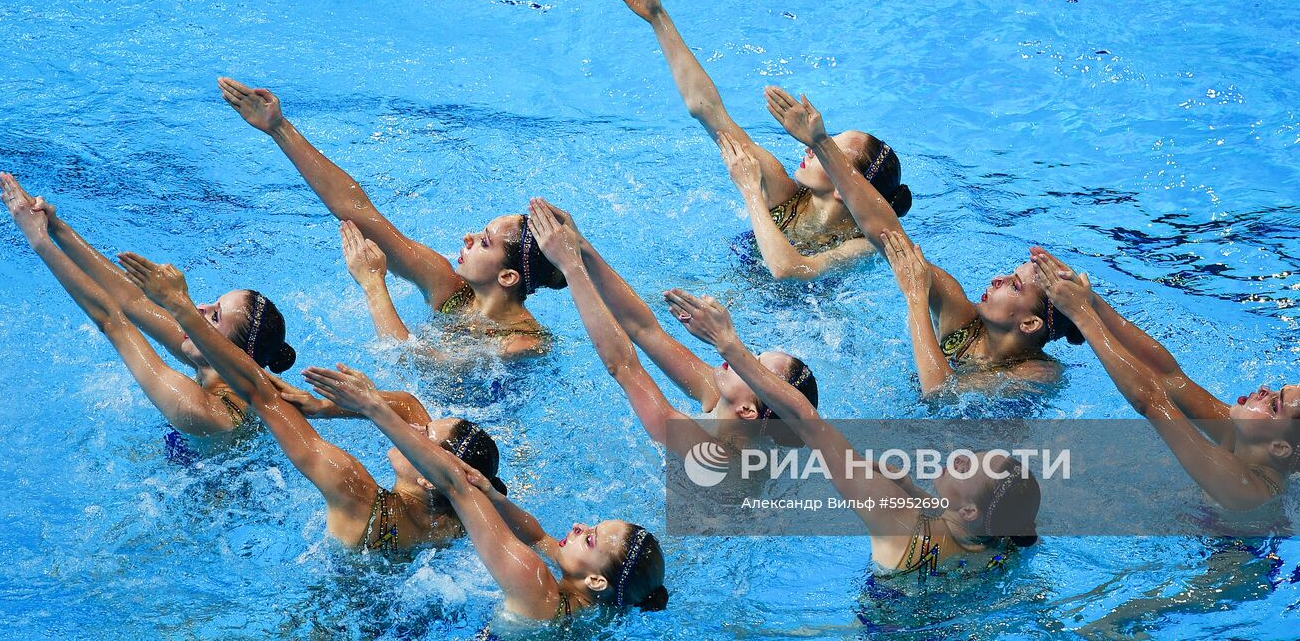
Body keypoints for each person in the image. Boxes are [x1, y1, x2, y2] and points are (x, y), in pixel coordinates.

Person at [117, 252, 506, 557]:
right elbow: (409, 406)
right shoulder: (464, 518)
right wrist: (327, 408)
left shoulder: (357, 496)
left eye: (425, 436)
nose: (417, 428)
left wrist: (183, 306)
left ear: (427, 476)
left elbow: (261, 396)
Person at [664, 287, 1040, 575]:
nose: (956, 458)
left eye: (964, 468)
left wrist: (728, 344)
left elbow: (807, 422)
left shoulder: (897, 521)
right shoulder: (1001, 547)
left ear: (971, 509)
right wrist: (914, 491)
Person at [218, 77, 564, 359]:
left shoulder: (523, 345)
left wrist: (373, 284)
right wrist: (279, 128)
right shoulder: (449, 286)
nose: (468, 238)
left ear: (507, 276)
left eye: (484, 241)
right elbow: (360, 212)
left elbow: (415, 363)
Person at [767, 88, 1084, 393]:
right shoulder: (960, 313)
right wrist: (821, 143)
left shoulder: (1039, 375)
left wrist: (916, 300)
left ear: (1029, 324)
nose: (997, 279)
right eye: (1009, 275)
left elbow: (941, 393)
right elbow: (888, 234)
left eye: (1014, 285)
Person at [606, 0, 911, 281]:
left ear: (844, 187)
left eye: (828, 149)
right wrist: (658, 18)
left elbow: (789, 270)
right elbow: (708, 110)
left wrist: (751, 191)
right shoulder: (784, 192)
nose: (810, 147)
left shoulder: (863, 247)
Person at [306, 364, 669, 618]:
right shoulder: (602, 607)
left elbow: (455, 487)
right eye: (591, 525)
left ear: (596, 580)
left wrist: (373, 408)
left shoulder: (537, 590)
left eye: (589, 539)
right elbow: (536, 534)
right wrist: (495, 499)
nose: (577, 527)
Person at [1032, 248, 1300, 511]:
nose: (1265, 390)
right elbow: (1169, 377)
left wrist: (1082, 316)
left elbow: (1151, 401)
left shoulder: (1248, 489)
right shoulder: (1243, 437)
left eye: (1276, 405)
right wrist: (1090, 300)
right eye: (1277, 390)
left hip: (1223, 568)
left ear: (1279, 448)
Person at [0, 172, 293, 437]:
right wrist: (55, 227)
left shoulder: (206, 412)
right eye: (212, 304)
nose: (200, 308)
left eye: (215, 317)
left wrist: (38, 241)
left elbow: (112, 322)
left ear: (236, 353)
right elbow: (132, 300)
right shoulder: (222, 370)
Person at [525, 199, 819, 456]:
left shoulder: (719, 459)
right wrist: (582, 246)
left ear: (748, 411)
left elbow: (623, 368)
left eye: (754, 368)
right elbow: (643, 329)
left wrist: (571, 267)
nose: (743, 357)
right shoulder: (722, 398)